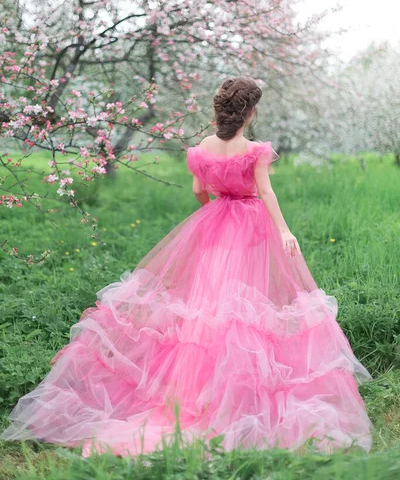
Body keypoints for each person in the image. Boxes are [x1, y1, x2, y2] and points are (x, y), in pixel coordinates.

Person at [0, 76, 373, 457]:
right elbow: (266, 191)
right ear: (248, 114)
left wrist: (213, 213)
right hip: (250, 226)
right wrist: (284, 230)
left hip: (214, 225)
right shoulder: (255, 149)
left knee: (207, 305)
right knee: (243, 305)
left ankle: (194, 389)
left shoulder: (200, 150)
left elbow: (199, 191)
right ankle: (230, 391)